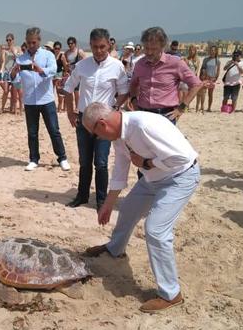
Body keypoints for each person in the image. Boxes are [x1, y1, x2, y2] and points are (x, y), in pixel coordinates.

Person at [82, 102, 200, 313]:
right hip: (151, 179)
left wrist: (146, 163)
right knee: (127, 209)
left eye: (95, 134)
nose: (97, 138)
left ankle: (171, 294)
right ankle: (115, 249)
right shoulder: (119, 135)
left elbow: (181, 157)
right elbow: (120, 167)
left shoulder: (143, 125)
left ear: (102, 124)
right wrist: (108, 204)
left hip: (179, 177)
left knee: (155, 231)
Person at [61, 28, 129, 210]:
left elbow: (124, 92)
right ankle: (82, 196)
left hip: (104, 122)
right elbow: (67, 88)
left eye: (102, 47)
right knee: (84, 161)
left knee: (101, 162)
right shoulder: (82, 65)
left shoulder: (117, 66)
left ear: (109, 45)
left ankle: (101, 200)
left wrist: (114, 109)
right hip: (83, 120)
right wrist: (69, 112)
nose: (99, 51)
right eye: (95, 47)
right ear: (90, 46)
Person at [11, 27, 71, 172]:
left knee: (54, 130)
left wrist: (41, 70)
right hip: (30, 101)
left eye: (34, 42)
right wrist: (13, 73)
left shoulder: (47, 55)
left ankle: (62, 158)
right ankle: (33, 159)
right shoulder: (21, 58)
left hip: (46, 99)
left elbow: (53, 69)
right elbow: (16, 80)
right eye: (28, 43)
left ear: (39, 41)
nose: (31, 45)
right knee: (32, 132)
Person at [129, 27, 202, 124]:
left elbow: (196, 84)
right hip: (143, 114)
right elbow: (133, 84)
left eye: (154, 49)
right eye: (146, 48)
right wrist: (134, 101)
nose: (149, 52)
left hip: (166, 115)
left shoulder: (175, 63)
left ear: (163, 47)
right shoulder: (139, 64)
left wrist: (182, 108)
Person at [0, 33, 19, 113]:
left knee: (14, 92)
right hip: (7, 71)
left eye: (10, 40)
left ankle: (14, 109)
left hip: (14, 72)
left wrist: (13, 52)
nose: (8, 41)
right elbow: (2, 60)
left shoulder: (17, 48)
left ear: (13, 40)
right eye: (7, 40)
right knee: (6, 90)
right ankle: (2, 108)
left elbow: (19, 59)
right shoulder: (5, 49)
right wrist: (1, 51)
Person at [65, 37, 87, 112]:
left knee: (76, 91)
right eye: (69, 43)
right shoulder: (67, 52)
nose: (70, 45)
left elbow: (85, 60)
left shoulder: (79, 51)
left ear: (75, 43)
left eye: (71, 43)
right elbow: (65, 63)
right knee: (69, 90)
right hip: (70, 73)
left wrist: (79, 67)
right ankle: (70, 106)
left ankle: (78, 107)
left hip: (78, 73)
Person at [200, 46, 220, 112]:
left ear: (216, 51)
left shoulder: (217, 60)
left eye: (214, 50)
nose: (212, 51)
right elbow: (202, 68)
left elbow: (218, 70)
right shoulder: (205, 59)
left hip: (212, 79)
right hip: (205, 78)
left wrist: (216, 77)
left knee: (210, 94)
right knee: (203, 93)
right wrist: (202, 76)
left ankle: (209, 108)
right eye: (211, 50)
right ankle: (202, 106)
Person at [53, 41, 69, 112]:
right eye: (56, 48)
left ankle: (60, 107)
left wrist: (64, 75)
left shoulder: (62, 56)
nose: (57, 50)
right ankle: (59, 107)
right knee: (52, 90)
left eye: (58, 48)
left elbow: (65, 67)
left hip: (59, 74)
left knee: (59, 91)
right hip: (53, 74)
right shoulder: (52, 55)